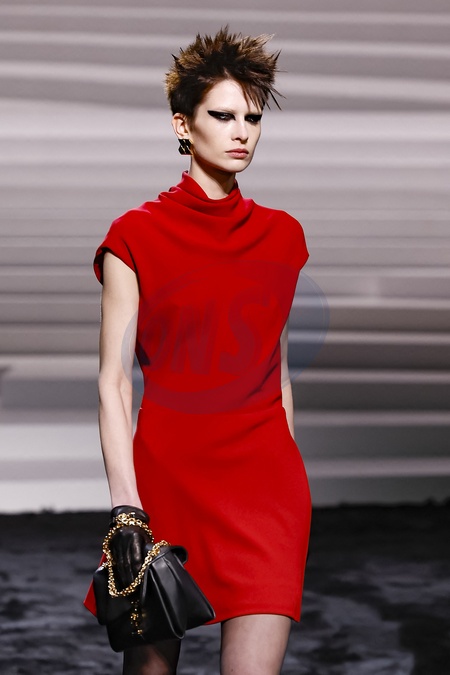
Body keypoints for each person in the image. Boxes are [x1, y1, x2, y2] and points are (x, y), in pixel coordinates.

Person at [84, 27, 311, 675]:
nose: (241, 133)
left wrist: (286, 466)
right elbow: (113, 382)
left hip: (265, 489)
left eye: (252, 118)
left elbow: (277, 371)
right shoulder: (136, 236)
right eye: (223, 116)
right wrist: (126, 506)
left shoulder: (283, 237)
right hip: (167, 485)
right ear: (183, 125)